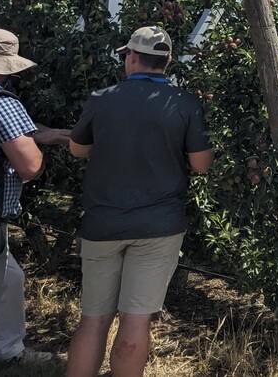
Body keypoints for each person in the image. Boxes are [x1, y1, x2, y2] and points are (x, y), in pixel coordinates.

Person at [67, 26, 213, 377]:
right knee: (136, 322)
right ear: (167, 61)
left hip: (102, 223)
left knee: (93, 319)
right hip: (158, 226)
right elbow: (201, 165)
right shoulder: (185, 102)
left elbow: (77, 149)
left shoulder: (102, 97)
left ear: (131, 57)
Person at [0, 27, 70, 365]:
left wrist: (51, 134)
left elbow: (14, 134)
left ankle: (6, 349)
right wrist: (38, 151)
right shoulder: (1, 102)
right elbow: (30, 166)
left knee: (10, 278)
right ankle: (6, 352)